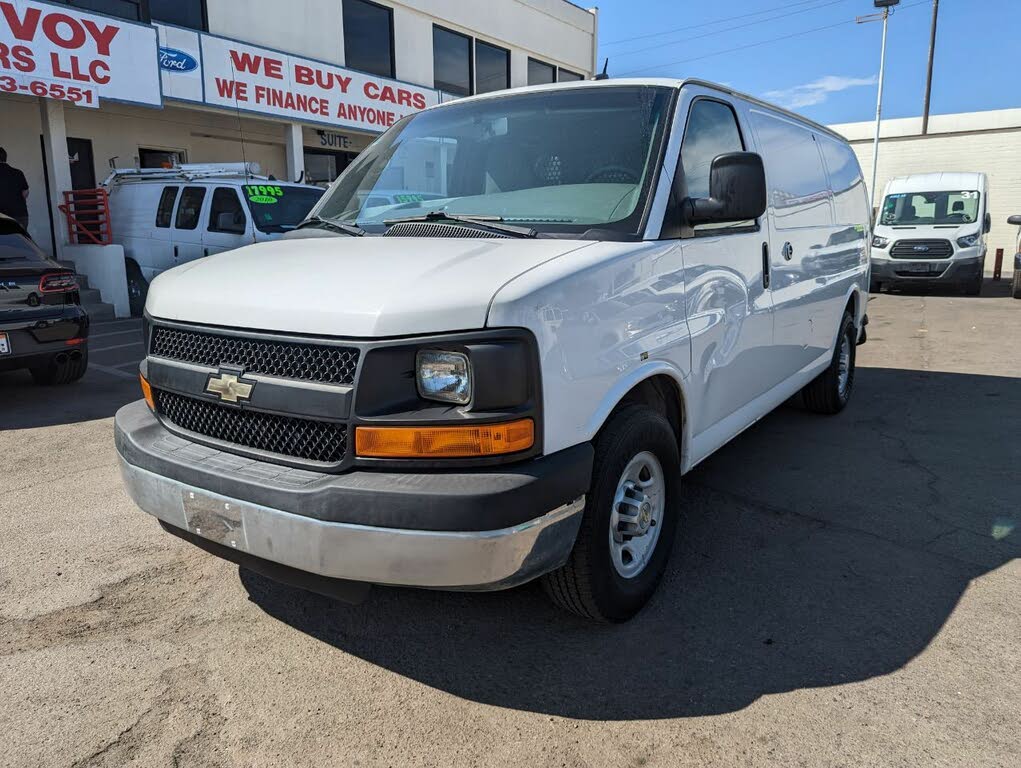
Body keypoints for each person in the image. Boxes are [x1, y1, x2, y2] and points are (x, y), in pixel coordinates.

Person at [0, 147, 30, 230]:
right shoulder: (18, 172)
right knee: (20, 241)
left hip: (2, 217)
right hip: (20, 215)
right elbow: (25, 192)